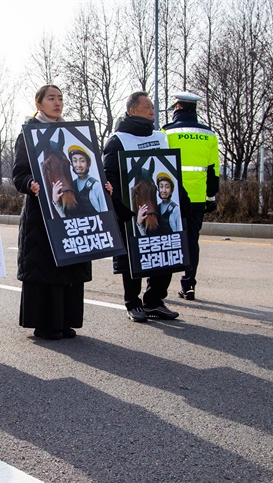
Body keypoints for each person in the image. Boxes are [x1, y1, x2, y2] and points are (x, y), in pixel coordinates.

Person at [12, 85, 108, 340]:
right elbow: (18, 174)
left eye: (60, 98)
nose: (57, 103)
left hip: (73, 210)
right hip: (41, 214)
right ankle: (45, 323)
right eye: (51, 98)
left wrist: (102, 184)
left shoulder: (73, 135)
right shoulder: (28, 134)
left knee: (71, 265)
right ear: (38, 104)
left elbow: (84, 170)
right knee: (46, 267)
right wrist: (30, 184)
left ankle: (66, 320)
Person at [103, 91, 181, 322]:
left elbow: (172, 171)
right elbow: (110, 177)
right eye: (147, 107)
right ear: (132, 111)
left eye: (153, 107)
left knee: (163, 253)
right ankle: (133, 303)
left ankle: (154, 301)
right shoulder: (118, 140)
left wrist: (181, 199)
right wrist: (120, 208)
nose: (152, 111)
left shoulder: (161, 137)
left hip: (161, 208)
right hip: (131, 213)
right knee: (132, 258)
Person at [162, 91, 220, 301]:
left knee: (168, 240)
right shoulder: (209, 135)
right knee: (192, 241)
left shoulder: (165, 132)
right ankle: (188, 286)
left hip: (170, 196)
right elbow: (213, 172)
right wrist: (211, 197)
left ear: (177, 108)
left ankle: (160, 289)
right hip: (196, 198)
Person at [52, 145, 105, 218]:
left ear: (88, 164)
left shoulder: (96, 186)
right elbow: (67, 217)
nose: (78, 165)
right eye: (75, 161)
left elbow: (105, 213)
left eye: (82, 161)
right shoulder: (72, 186)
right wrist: (56, 202)